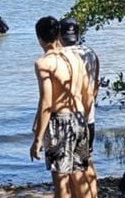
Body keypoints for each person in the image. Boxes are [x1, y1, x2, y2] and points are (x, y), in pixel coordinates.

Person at [30, 16, 94, 198]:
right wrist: (84, 121)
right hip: (80, 117)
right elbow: (87, 94)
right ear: (59, 33)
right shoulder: (76, 58)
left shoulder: (44, 63)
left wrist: (37, 139)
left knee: (61, 182)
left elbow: (46, 103)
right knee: (80, 176)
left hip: (60, 122)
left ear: (39, 38)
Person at [59, 17, 99, 198]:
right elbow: (94, 88)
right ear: (78, 33)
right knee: (86, 162)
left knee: (70, 171)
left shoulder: (61, 56)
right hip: (88, 117)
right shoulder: (91, 53)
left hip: (70, 118)